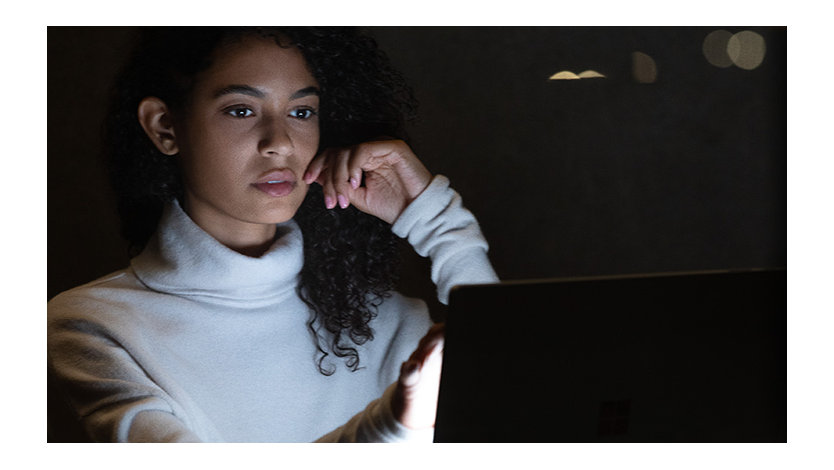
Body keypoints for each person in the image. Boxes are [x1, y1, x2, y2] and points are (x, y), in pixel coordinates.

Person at [47, 26, 498, 442]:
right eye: (241, 110)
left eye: (301, 111)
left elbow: (520, 409)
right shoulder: (92, 326)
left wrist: (438, 224)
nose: (279, 142)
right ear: (165, 126)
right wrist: (395, 423)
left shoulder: (393, 322)